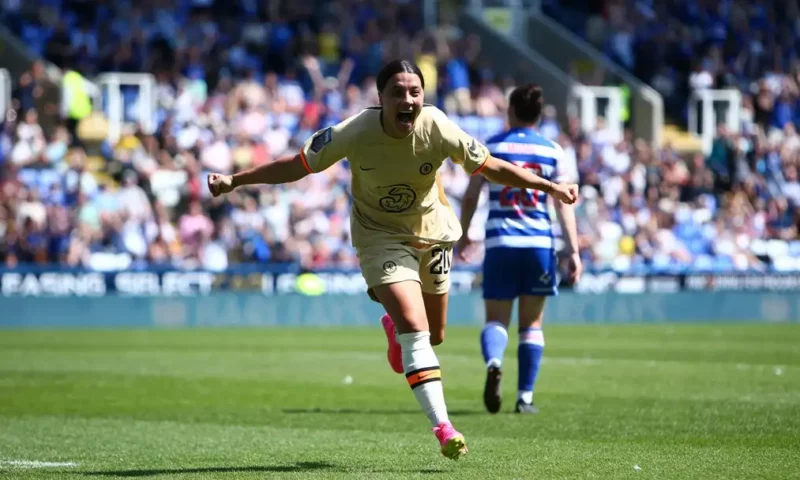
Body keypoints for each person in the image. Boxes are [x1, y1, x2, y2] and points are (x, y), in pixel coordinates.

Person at [207, 60, 578, 459]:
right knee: (417, 331)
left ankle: (392, 324)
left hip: (433, 234)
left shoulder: (437, 126)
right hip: (379, 237)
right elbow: (297, 167)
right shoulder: (352, 132)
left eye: (415, 92)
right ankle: (444, 427)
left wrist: (549, 186)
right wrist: (236, 180)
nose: (408, 100)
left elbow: (492, 168)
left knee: (434, 335)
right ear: (380, 98)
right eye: (398, 92)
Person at [456, 84, 582, 415]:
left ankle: (495, 362)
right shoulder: (554, 151)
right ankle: (524, 397)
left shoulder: (491, 147)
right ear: (538, 115)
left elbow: (471, 195)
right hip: (539, 244)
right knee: (532, 324)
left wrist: (464, 234)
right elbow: (563, 204)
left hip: (500, 242)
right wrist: (574, 250)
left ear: (510, 111)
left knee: (496, 320)